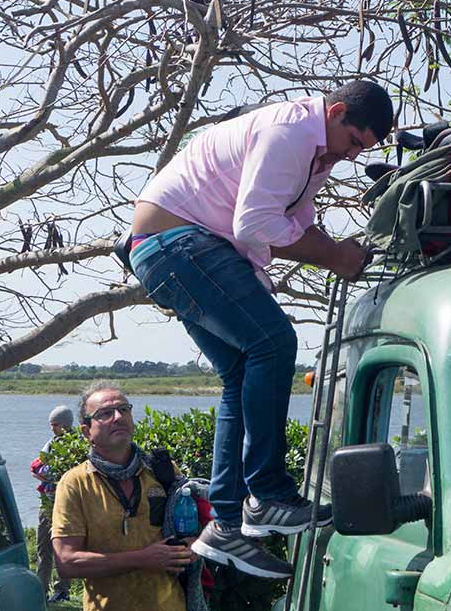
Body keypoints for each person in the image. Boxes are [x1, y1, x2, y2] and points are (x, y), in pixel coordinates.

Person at [127, 80, 394, 578]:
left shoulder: (317, 155)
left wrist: (338, 250)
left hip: (172, 249)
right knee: (274, 342)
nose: (352, 156)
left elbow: (295, 224)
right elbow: (254, 225)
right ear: (335, 112)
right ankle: (268, 494)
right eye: (354, 141)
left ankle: (225, 525)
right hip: (176, 243)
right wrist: (334, 257)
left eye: (363, 150)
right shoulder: (291, 132)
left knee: (243, 370)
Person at [52, 381, 194, 611]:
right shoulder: (74, 483)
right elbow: (67, 562)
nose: (118, 417)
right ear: (87, 431)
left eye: (124, 409)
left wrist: (187, 549)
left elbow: (194, 534)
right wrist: (142, 559)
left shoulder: (164, 470)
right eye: (105, 413)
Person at [31, 405, 74, 603]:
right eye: (51, 424)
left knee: (63, 549)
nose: (52, 428)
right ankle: (41, 591)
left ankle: (62, 590)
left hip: (66, 506)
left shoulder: (74, 445)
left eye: (55, 424)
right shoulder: (51, 443)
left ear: (65, 425)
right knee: (43, 547)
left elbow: (49, 471)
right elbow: (39, 467)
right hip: (47, 503)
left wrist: (43, 472)